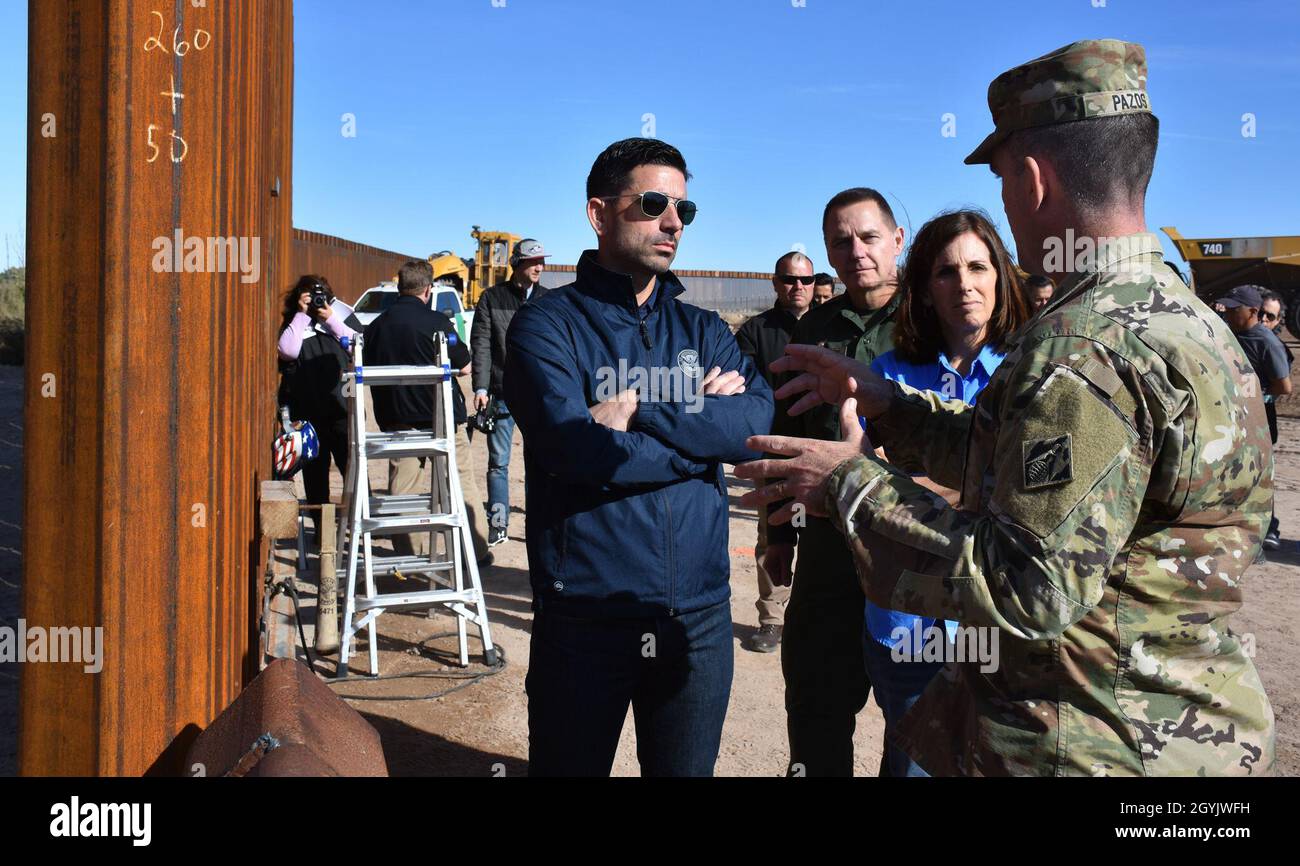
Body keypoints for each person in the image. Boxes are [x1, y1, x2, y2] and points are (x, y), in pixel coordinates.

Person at [740, 39, 1276, 776]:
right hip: (1181, 736)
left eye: (999, 180)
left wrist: (845, 481)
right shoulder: (1185, 319)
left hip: (1087, 743)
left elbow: (1024, 583)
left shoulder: (1082, 347)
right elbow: (1049, 476)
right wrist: (891, 404)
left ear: (1028, 179)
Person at [504, 138, 773, 776]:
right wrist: (698, 441)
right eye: (653, 204)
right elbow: (577, 450)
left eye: (684, 208)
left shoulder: (705, 328)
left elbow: (751, 425)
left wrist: (642, 408)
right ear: (599, 213)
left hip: (700, 621)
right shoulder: (548, 326)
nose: (673, 222)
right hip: (586, 618)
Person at [864, 208, 1029, 776]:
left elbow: (1030, 495)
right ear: (924, 290)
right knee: (913, 761)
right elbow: (860, 484)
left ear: (1000, 277)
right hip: (907, 613)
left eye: (978, 266)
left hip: (1004, 620)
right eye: (945, 271)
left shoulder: (1033, 372)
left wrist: (912, 478)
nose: (964, 284)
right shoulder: (887, 377)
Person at [770, 187, 905, 776]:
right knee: (817, 701)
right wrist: (779, 535)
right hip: (828, 549)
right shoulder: (814, 330)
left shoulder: (936, 319)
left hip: (917, 550)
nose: (856, 252)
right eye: (840, 242)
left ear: (897, 239)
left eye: (869, 237)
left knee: (918, 715)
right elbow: (788, 435)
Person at [365, 260, 490, 566]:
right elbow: (464, 365)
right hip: (442, 420)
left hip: (397, 421)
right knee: (459, 483)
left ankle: (409, 556)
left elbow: (365, 368)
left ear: (400, 288)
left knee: (402, 489)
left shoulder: (377, 326)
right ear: (428, 289)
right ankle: (474, 551)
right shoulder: (437, 322)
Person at [734, 250, 815, 652]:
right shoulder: (755, 333)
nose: (798, 287)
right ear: (775, 282)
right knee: (773, 537)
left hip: (824, 452)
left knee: (824, 539)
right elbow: (742, 389)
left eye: (805, 280)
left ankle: (816, 618)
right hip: (777, 451)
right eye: (789, 279)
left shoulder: (830, 328)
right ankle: (771, 619)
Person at [471, 239, 551, 547]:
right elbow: (481, 345)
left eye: (542, 262)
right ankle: (499, 523)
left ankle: (539, 524)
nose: (539, 268)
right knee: (498, 462)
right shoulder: (492, 298)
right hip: (502, 393)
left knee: (541, 460)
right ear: (516, 264)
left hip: (539, 395)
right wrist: (480, 386)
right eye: (533, 262)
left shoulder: (548, 299)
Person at [277, 274, 357, 541]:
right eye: (310, 297)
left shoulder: (341, 316)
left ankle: (357, 527)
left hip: (344, 410)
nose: (316, 302)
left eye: (319, 295)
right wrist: (301, 314)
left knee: (353, 469)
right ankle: (323, 532)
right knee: (316, 476)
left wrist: (330, 318)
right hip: (309, 414)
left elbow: (358, 345)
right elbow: (287, 351)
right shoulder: (294, 324)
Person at [1217, 284, 1292, 551]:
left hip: (1259, 419)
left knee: (1258, 476)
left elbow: (1284, 387)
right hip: (1231, 417)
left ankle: (1267, 529)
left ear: (1251, 311)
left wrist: (1256, 395)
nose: (1228, 313)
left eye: (1233, 309)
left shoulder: (1266, 341)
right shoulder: (1228, 334)